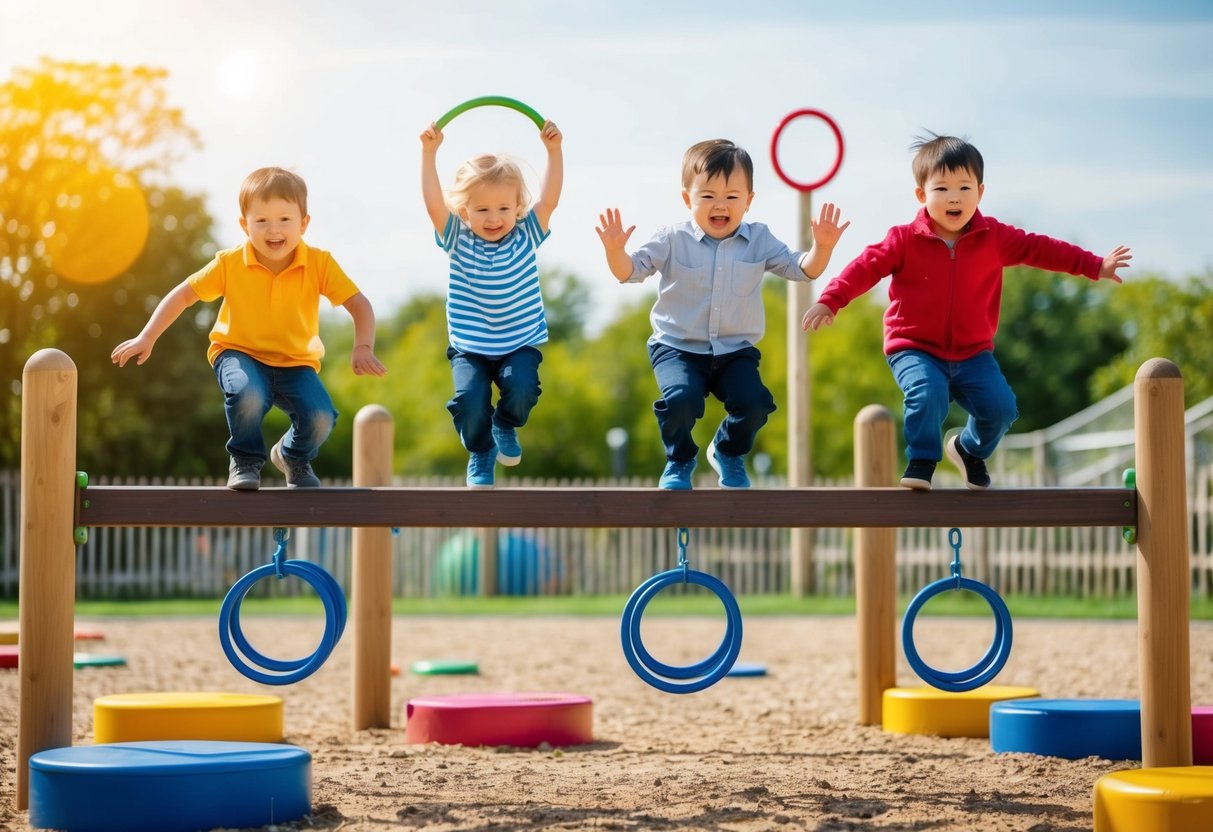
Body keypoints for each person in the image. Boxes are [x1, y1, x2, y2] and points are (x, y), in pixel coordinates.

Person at [802, 133, 1131, 491]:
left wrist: (1094, 265)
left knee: (1002, 408)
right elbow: (865, 267)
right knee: (928, 393)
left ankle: (969, 449)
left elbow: (1042, 249)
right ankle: (923, 459)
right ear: (921, 195)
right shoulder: (904, 239)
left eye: (964, 187)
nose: (954, 197)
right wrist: (830, 298)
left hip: (973, 352)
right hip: (914, 347)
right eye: (941, 189)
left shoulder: (994, 237)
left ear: (980, 192)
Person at [112, 166, 387, 491]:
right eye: (262, 221)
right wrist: (148, 336)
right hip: (239, 354)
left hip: (295, 362)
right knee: (248, 394)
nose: (274, 229)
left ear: (304, 223)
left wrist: (363, 346)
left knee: (320, 416)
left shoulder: (319, 264)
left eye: (284, 219)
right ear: (245, 225)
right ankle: (244, 459)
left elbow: (359, 304)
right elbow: (184, 294)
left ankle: (292, 457)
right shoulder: (230, 263)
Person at [596, 138, 849, 490]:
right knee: (680, 400)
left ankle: (727, 451)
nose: (720, 205)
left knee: (756, 403)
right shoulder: (671, 238)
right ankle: (679, 461)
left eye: (732, 197)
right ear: (687, 199)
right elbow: (630, 271)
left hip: (734, 350)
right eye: (708, 196)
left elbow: (800, 269)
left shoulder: (759, 239)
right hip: (677, 346)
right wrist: (614, 251)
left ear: (749, 201)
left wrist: (821, 247)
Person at [420, 118, 563, 488]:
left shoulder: (527, 235)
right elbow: (434, 204)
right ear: (465, 211)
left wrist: (553, 151)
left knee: (523, 390)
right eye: (481, 210)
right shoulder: (457, 239)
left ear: (518, 207)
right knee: (469, 401)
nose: (494, 218)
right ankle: (481, 451)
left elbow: (549, 199)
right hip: (470, 346)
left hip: (519, 342)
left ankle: (504, 424)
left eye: (503, 208)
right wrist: (429, 153)